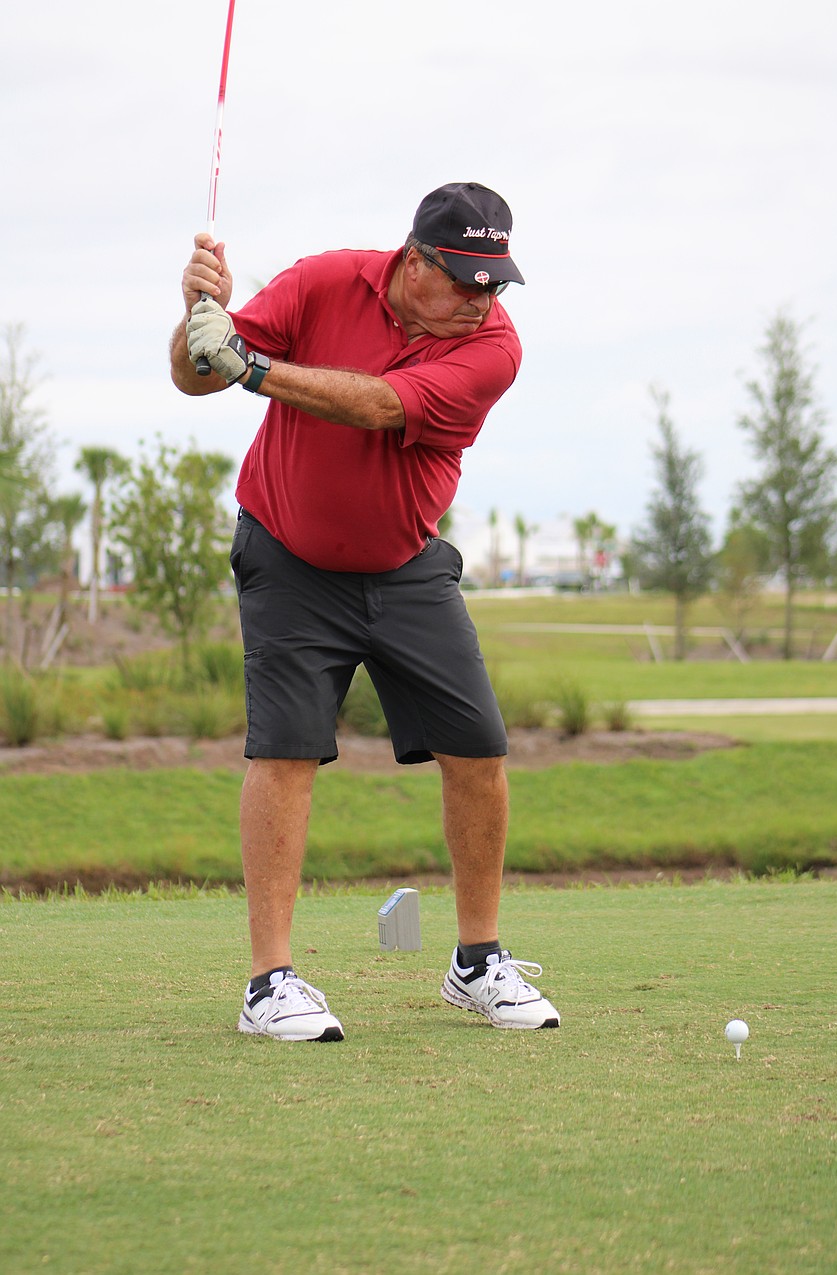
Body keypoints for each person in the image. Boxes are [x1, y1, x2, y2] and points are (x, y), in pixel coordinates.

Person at [170, 181, 560, 1041]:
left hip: (405, 563)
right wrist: (201, 319)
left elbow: (381, 406)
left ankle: (477, 960)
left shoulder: (494, 347)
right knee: (285, 750)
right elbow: (197, 378)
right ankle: (269, 982)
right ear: (413, 261)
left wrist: (253, 367)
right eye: (464, 279)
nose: (479, 300)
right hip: (289, 555)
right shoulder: (323, 283)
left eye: (493, 282)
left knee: (479, 746)